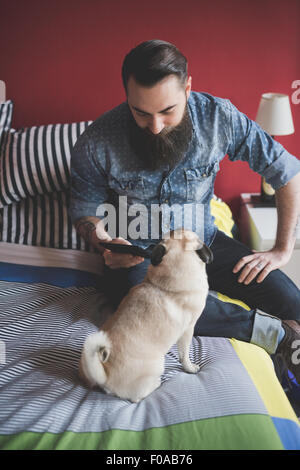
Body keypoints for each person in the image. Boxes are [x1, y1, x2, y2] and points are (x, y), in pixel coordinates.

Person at [69, 39, 300, 383]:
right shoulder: (96, 140)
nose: (156, 126)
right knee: (158, 313)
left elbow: (286, 171)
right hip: (142, 257)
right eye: (141, 113)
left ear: (188, 87)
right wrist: (102, 241)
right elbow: (86, 214)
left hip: (204, 245)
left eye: (167, 111)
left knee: (290, 299)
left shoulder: (219, 117)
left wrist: (282, 250)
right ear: (127, 96)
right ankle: (275, 334)